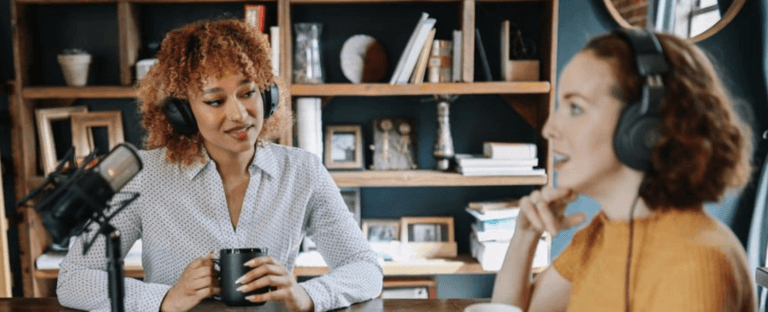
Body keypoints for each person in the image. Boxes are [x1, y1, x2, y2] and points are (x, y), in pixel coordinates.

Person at [56, 18, 383, 312]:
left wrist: (308, 296)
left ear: (267, 96)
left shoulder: (302, 171)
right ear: (181, 112)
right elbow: (74, 280)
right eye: (215, 101)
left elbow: (365, 268)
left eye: (248, 93)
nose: (240, 114)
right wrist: (165, 299)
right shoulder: (144, 175)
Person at [491, 29, 756, 312]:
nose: (549, 129)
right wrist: (525, 235)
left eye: (575, 108)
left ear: (643, 128)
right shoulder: (603, 233)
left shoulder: (697, 263)